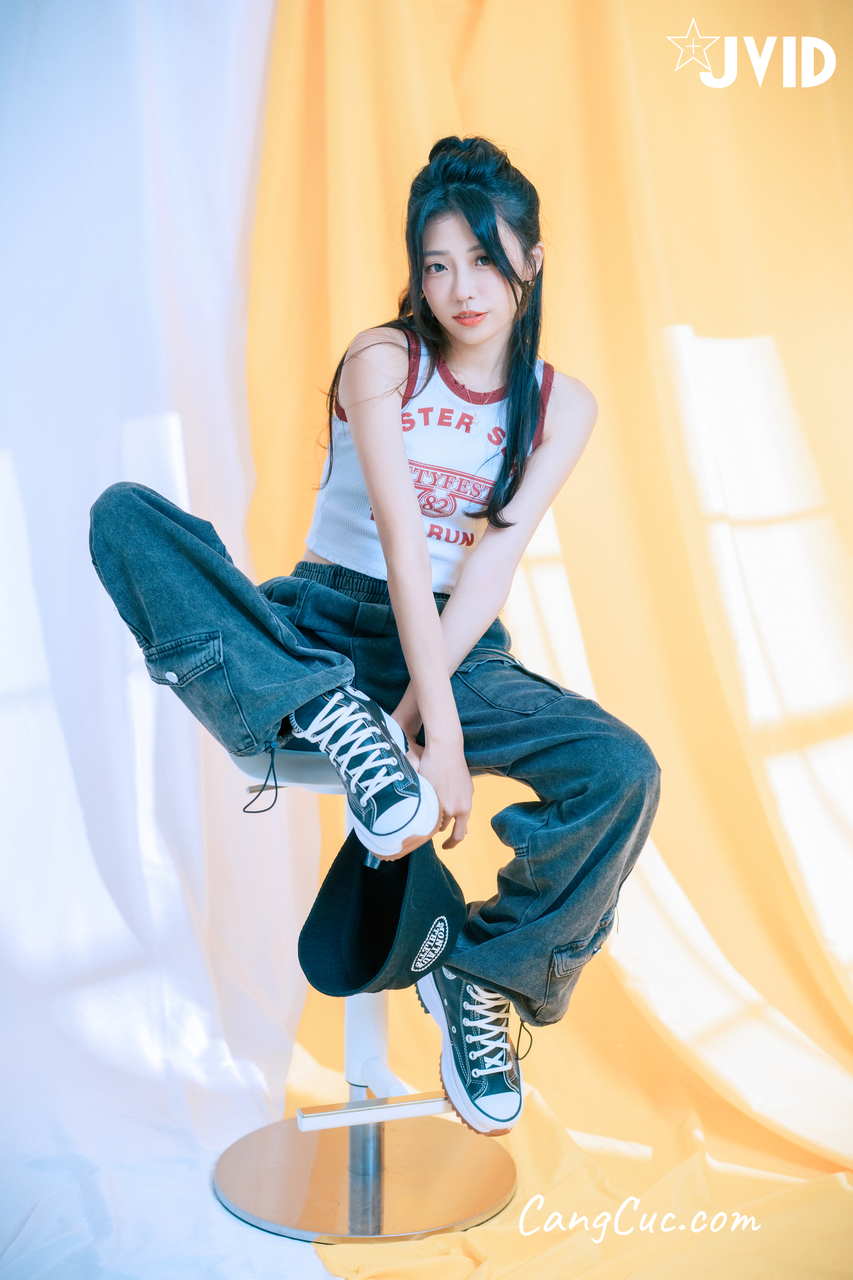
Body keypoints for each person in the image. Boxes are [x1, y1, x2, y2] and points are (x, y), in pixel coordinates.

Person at [90, 136, 660, 1138]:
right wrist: (411, 726)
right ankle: (325, 708)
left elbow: (485, 566)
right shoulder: (382, 358)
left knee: (621, 769)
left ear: (532, 259)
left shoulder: (559, 405)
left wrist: (419, 717)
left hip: (455, 646)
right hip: (319, 625)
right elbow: (401, 543)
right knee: (126, 516)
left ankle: (480, 977)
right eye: (436, 265)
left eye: (483, 258)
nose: (460, 288)